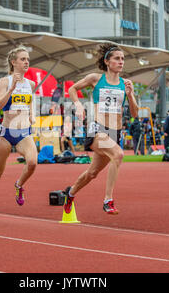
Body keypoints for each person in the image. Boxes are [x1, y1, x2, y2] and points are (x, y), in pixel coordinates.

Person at [63, 43, 139, 215]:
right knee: (118, 155)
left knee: (92, 173)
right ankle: (108, 200)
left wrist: (131, 94)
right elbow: (72, 89)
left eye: (122, 59)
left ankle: (70, 193)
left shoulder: (125, 84)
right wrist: (78, 105)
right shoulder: (96, 79)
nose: (121, 62)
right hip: (98, 129)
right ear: (107, 61)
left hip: (115, 132)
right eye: (117, 58)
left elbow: (134, 113)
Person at [0, 46, 37, 223]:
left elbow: (30, 101)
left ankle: (19, 184)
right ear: (13, 62)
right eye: (22, 59)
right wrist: (12, 88)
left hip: (24, 133)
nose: (26, 62)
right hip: (5, 134)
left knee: (32, 163)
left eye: (28, 59)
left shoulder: (31, 84)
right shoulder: (4, 81)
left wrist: (31, 115)